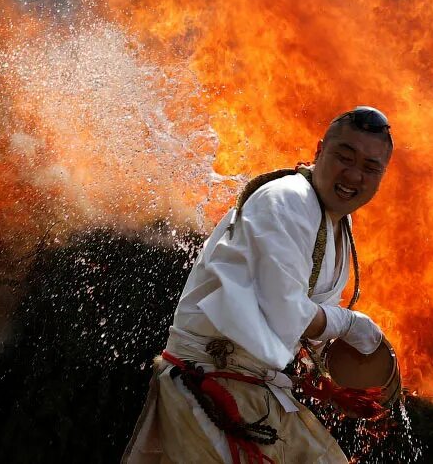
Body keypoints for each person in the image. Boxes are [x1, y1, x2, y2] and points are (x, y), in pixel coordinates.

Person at [122, 106, 394, 464]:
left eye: (370, 168)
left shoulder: (337, 223)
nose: (354, 175)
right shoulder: (289, 199)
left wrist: (333, 383)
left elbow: (300, 329)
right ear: (319, 150)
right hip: (210, 380)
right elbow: (287, 315)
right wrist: (350, 324)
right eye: (345, 157)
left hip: (255, 386)